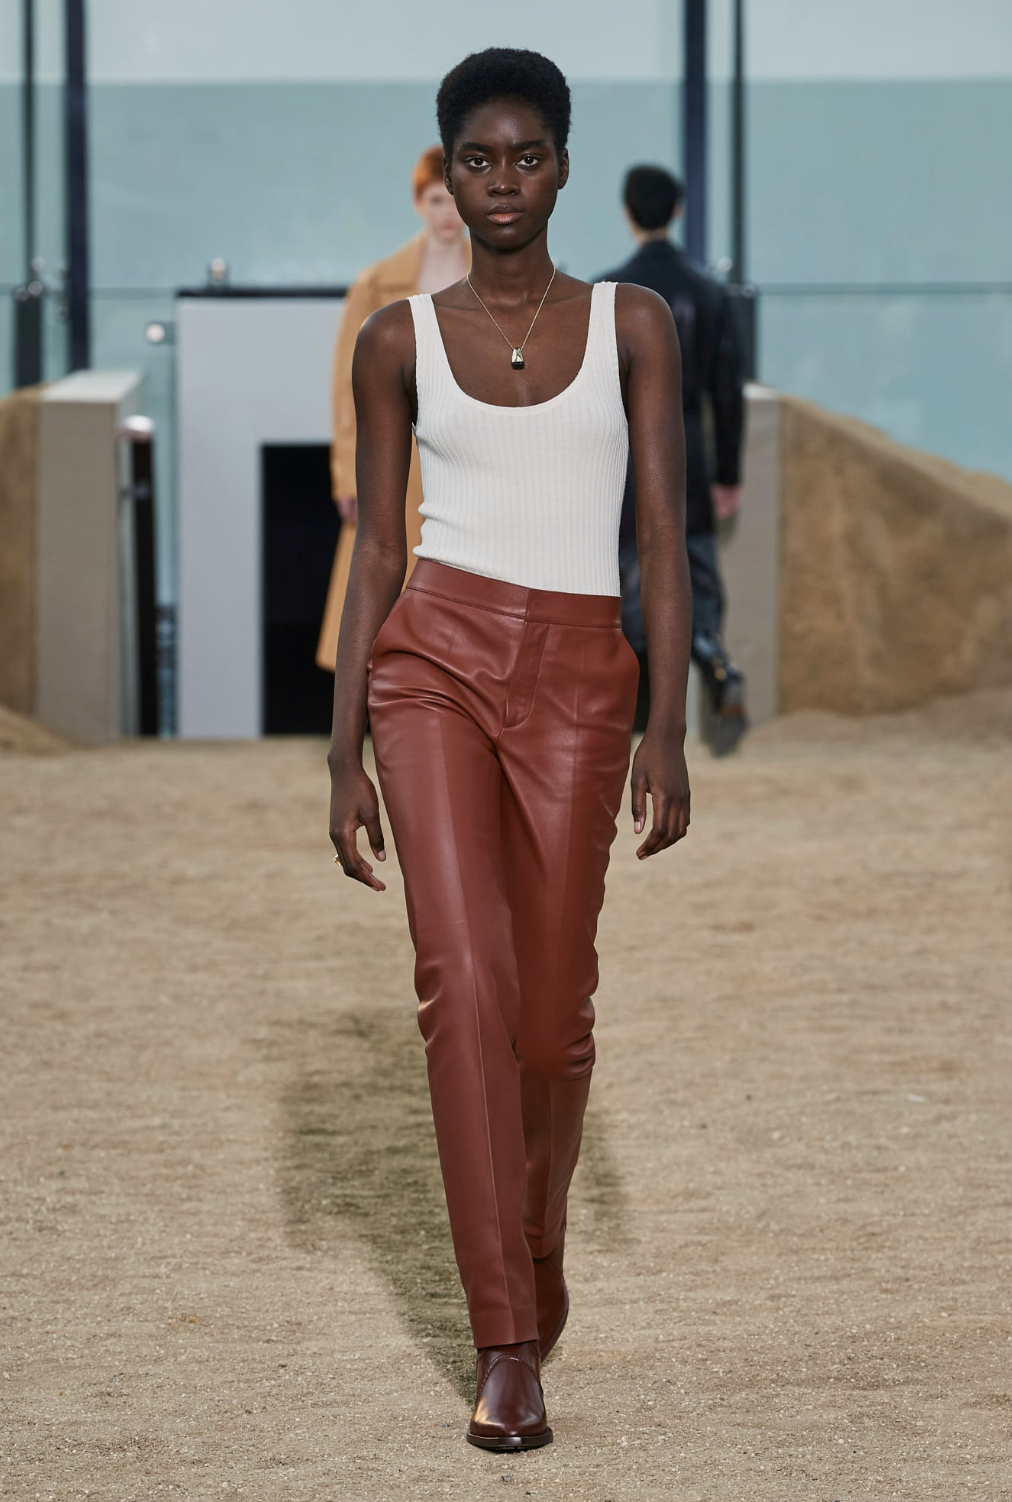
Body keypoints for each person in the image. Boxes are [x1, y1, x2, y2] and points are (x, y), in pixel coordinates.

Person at [327, 48, 691, 1452]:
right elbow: (377, 549)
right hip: (433, 663)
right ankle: (504, 1339)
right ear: (448, 172)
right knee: (462, 980)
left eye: (525, 157)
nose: (501, 182)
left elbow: (661, 536)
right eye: (476, 160)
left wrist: (667, 724)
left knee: (551, 1019)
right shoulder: (396, 342)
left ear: (562, 168)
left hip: (584, 680)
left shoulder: (635, 323)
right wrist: (344, 746)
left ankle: (536, 1252)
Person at [598, 164, 748, 755]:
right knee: (696, 562)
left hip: (630, 448)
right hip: (688, 445)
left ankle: (641, 705)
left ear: (626, 213)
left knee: (632, 567)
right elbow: (727, 392)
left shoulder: (607, 294)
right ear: (678, 209)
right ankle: (711, 653)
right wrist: (728, 474)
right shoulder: (708, 293)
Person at [315, 146, 471, 671]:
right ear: (417, 203)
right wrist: (346, 475)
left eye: (453, 199)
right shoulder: (376, 284)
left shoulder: (502, 278)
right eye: (435, 200)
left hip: (472, 452)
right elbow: (347, 386)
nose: (446, 213)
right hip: (398, 457)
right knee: (385, 584)